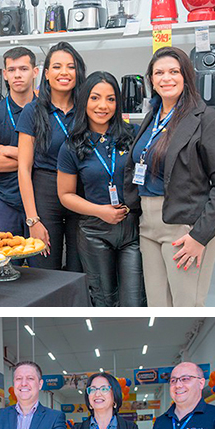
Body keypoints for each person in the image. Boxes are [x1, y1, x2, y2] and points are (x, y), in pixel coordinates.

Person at [123, 47, 215, 307]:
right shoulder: (152, 116)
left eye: (174, 72)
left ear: (186, 76)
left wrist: (199, 235)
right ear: (150, 79)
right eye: (159, 73)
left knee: (186, 306)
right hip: (149, 224)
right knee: (157, 305)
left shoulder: (206, 119)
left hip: (186, 225)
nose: (166, 78)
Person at [57, 72, 144, 306]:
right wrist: (100, 211)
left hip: (132, 229)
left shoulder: (133, 135)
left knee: (134, 302)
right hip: (94, 231)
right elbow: (65, 195)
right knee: (105, 300)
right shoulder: (72, 145)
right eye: (95, 98)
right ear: (84, 100)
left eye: (111, 99)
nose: (103, 106)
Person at [17, 42, 86, 271]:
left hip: (81, 192)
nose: (64, 72)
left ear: (79, 73)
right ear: (46, 74)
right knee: (45, 269)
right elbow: (24, 169)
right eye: (57, 67)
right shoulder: (33, 111)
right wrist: (33, 220)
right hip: (45, 191)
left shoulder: (88, 109)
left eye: (71, 67)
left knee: (79, 269)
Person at [0, 47, 38, 235]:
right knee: (5, 261)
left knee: (41, 262)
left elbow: (50, 157)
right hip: (3, 200)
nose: (17, 75)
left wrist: (8, 150)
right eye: (11, 70)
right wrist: (31, 160)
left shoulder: (45, 111)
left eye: (23, 69)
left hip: (39, 200)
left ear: (35, 72)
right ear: (4, 74)